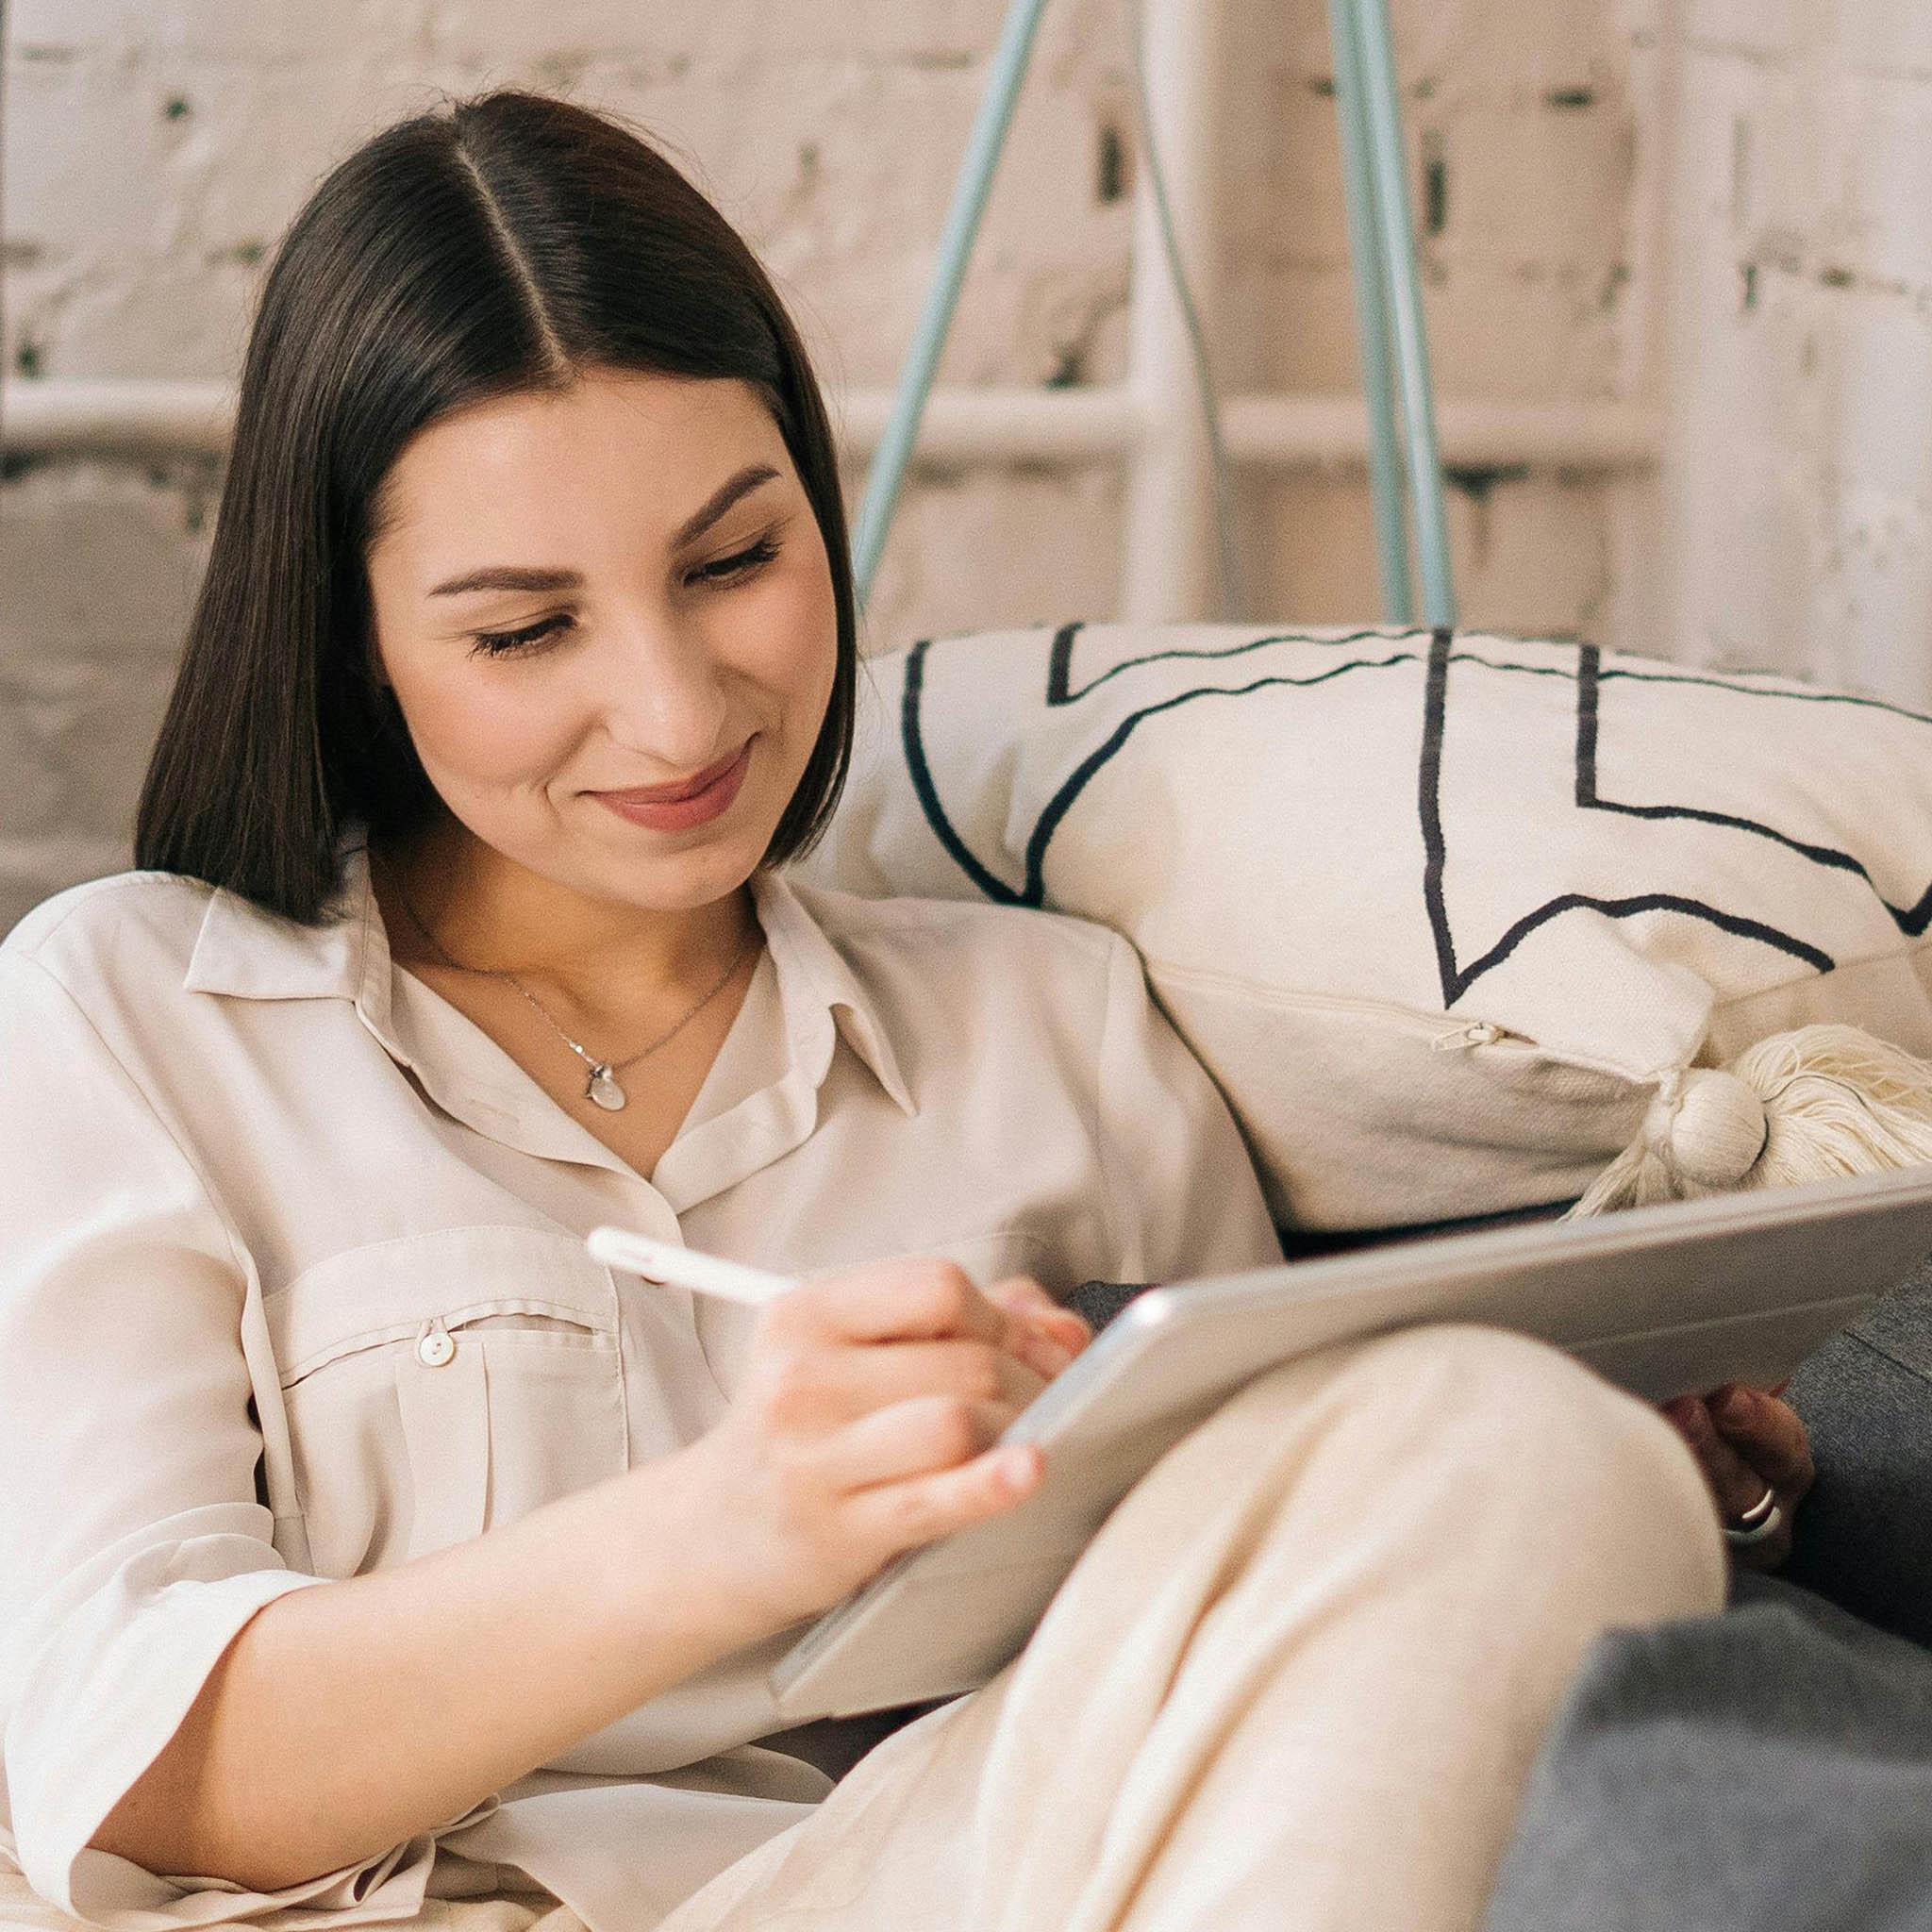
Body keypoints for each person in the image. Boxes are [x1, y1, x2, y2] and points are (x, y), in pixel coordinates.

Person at [0, 88, 1782, 1932]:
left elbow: (1249, 1637)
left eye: (731, 562)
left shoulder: (1054, 1027)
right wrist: (734, 1525)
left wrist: (1648, 1482)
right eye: (526, 630)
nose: (683, 715)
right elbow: (140, 1769)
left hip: (939, 1883)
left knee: (1507, 1445)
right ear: (348, 643)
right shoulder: (131, 1014)